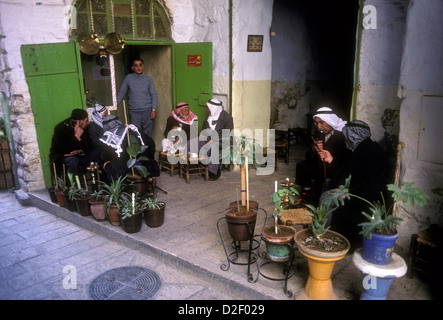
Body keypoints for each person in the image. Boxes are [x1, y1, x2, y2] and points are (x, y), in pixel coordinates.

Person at [318, 120, 391, 249]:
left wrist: (348, 193)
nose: (345, 141)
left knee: (326, 198)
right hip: (353, 191)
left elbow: (373, 185)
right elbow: (345, 172)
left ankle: (323, 235)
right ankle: (324, 229)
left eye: (347, 138)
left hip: (363, 199)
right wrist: (330, 160)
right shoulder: (360, 149)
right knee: (327, 183)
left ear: (353, 136)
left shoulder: (374, 153)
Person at [296, 106, 350, 205]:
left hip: (334, 169)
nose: (319, 127)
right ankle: (306, 195)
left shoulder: (341, 137)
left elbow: (343, 161)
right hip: (318, 166)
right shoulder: (318, 134)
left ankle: (317, 203)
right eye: (317, 123)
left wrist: (329, 157)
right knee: (302, 165)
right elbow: (307, 156)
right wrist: (314, 149)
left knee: (321, 178)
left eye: (322, 123)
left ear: (330, 121)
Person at [188, 98, 233, 181]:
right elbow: (204, 129)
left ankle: (214, 171)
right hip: (208, 139)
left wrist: (213, 140)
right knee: (192, 142)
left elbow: (227, 135)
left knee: (213, 146)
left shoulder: (227, 118)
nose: (207, 109)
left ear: (214, 108)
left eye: (208, 108)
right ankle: (193, 165)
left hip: (221, 141)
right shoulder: (210, 116)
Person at [117, 58, 158, 138]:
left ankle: (148, 150)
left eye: (140, 65)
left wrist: (153, 109)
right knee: (136, 133)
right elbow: (122, 92)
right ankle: (139, 150)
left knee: (147, 134)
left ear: (143, 67)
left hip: (147, 111)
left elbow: (154, 94)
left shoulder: (148, 79)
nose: (138, 67)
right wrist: (115, 104)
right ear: (133, 68)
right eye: (136, 65)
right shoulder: (128, 78)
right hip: (134, 112)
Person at [49, 108, 95, 176]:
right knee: (72, 160)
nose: (88, 122)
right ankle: (73, 185)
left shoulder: (84, 127)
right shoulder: (60, 128)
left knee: (98, 152)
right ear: (79, 122)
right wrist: (76, 137)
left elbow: (90, 146)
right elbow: (65, 150)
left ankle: (99, 184)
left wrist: (79, 151)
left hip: (80, 155)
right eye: (86, 120)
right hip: (62, 156)